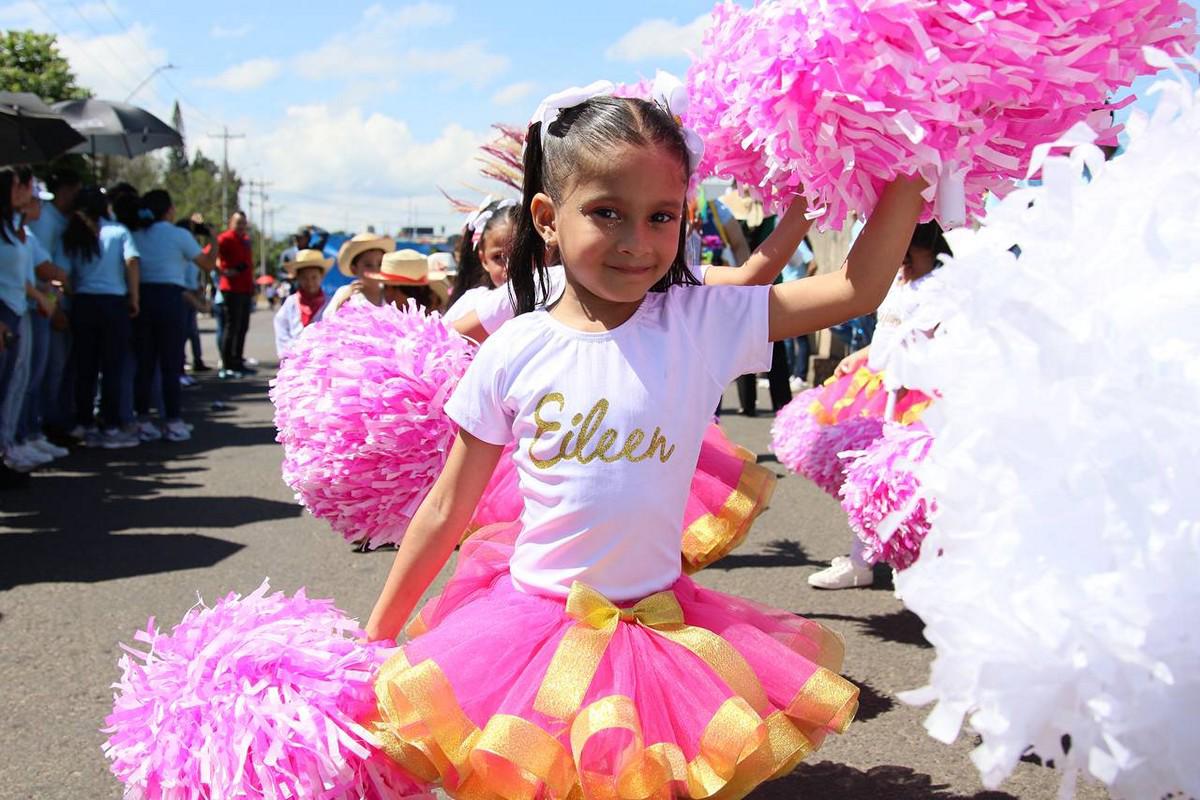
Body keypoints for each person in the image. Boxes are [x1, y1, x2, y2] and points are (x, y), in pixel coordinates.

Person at [362, 88, 925, 797]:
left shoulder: (699, 321)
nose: (637, 241)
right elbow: (447, 510)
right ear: (547, 219)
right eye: (606, 213)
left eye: (661, 217)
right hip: (529, 635)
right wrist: (375, 641)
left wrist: (910, 157)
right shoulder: (513, 351)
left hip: (661, 634)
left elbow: (856, 288)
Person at [807, 220, 951, 590]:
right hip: (879, 389)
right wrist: (861, 356)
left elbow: (931, 343)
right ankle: (862, 560)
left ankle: (917, 566)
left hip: (918, 397)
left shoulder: (942, 287)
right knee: (869, 479)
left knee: (914, 486)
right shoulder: (899, 280)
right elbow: (888, 334)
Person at [130, 190, 217, 443]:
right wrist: (213, 238)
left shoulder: (136, 233)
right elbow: (208, 265)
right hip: (170, 299)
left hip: (142, 298)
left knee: (144, 365)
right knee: (171, 363)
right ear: (169, 210)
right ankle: (173, 421)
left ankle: (142, 420)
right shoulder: (179, 235)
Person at [62, 187, 140, 449]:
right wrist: (134, 296)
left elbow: (64, 273)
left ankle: (84, 421)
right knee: (112, 368)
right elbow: (132, 261)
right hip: (113, 303)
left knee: (85, 367)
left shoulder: (74, 234)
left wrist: (75, 291)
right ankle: (111, 424)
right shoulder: (118, 232)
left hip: (83, 303)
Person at [0, 166, 37, 482]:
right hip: (3, 314)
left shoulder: (11, 227)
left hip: (14, 310)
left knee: (8, 388)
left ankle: (5, 452)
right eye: (19, 186)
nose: (25, 190)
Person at [443, 198, 517, 324]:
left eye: (518, 254)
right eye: (498, 257)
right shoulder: (472, 303)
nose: (509, 266)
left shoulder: (547, 299)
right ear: (484, 259)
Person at [216, 211, 254, 379]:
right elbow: (210, 254)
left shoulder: (245, 240)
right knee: (231, 327)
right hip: (231, 289)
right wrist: (225, 271)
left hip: (245, 290)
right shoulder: (224, 238)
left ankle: (238, 362)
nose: (241, 226)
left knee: (242, 327)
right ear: (231, 223)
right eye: (238, 222)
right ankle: (227, 365)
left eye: (243, 223)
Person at [273, 249, 332, 358]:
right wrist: (290, 352)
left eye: (314, 277)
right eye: (304, 278)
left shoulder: (330, 304)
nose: (309, 282)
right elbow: (281, 326)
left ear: (321, 276)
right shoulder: (291, 302)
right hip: (295, 358)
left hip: (322, 359)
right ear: (298, 278)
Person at [322, 232, 395, 316]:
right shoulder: (346, 292)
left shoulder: (390, 293)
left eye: (380, 264)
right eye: (368, 265)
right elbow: (327, 320)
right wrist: (342, 302)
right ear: (354, 269)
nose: (376, 269)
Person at [360, 249, 448, 313]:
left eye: (385, 286)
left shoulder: (386, 325)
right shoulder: (438, 320)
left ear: (390, 289)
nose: (384, 292)